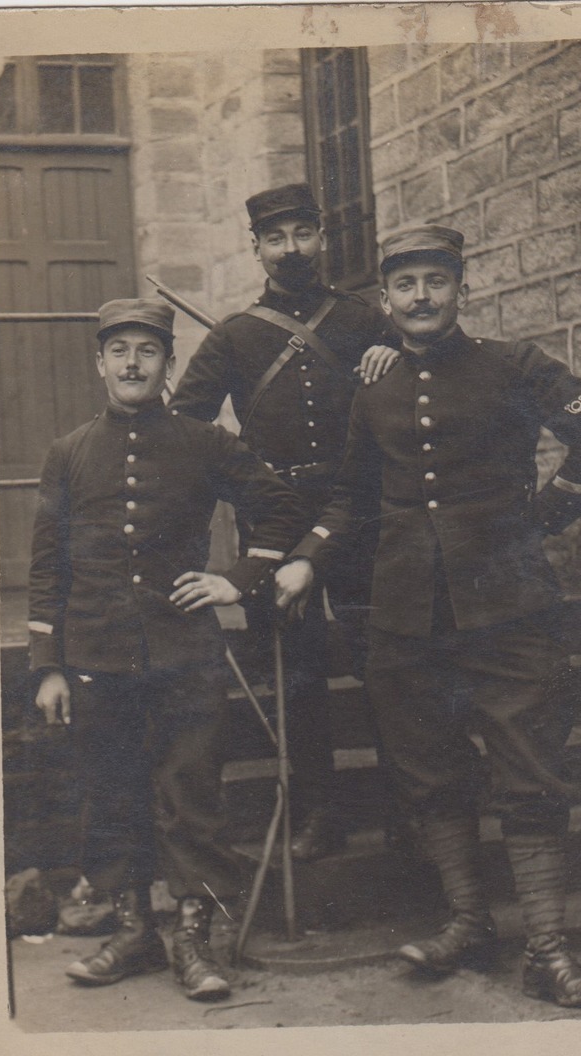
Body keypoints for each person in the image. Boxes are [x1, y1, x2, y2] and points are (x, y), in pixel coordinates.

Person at [280, 224, 581, 1007]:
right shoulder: (373, 386)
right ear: (386, 300)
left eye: (436, 281)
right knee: (428, 768)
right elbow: (350, 492)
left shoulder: (514, 366)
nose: (421, 298)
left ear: (462, 289)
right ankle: (469, 922)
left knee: (528, 768)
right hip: (407, 615)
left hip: (508, 607)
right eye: (404, 285)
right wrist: (308, 553)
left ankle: (547, 949)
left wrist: (538, 519)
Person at [29, 298, 303, 1001]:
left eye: (147, 351)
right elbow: (47, 566)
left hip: (185, 654)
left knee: (192, 795)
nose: (131, 363)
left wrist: (233, 580)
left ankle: (193, 938)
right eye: (118, 350)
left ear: (169, 364)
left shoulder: (204, 443)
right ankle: (133, 932)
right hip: (95, 655)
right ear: (99, 364)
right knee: (112, 793)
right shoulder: (67, 453)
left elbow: (279, 511)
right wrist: (51, 666)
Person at [170, 182, 399, 860]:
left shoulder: (363, 320)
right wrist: (241, 477)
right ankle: (317, 813)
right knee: (295, 678)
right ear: (257, 249)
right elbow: (188, 426)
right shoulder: (235, 336)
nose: (291, 248)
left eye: (303, 233)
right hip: (274, 525)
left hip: (360, 515)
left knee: (380, 664)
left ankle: (404, 811)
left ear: (321, 237)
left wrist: (399, 355)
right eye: (276, 238)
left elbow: (425, 374)